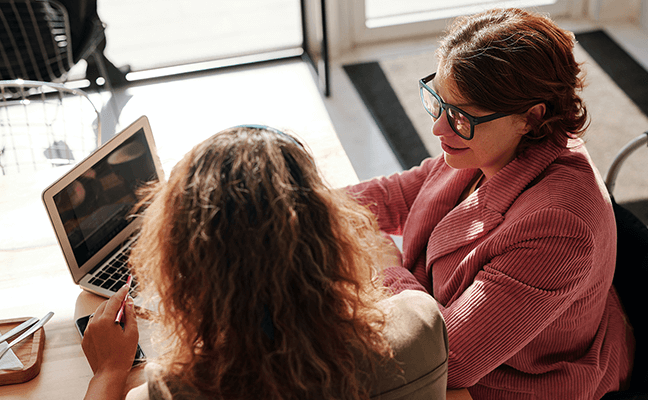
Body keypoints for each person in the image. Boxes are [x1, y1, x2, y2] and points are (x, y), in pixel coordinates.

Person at [346, 8, 634, 400]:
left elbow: (449, 360)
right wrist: (300, 202)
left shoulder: (559, 225)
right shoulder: (487, 147)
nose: (439, 128)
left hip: (506, 383)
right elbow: (395, 195)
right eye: (438, 102)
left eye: (461, 116)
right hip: (446, 338)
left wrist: (383, 262)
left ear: (531, 118)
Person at [80, 126, 449, 400]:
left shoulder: (171, 392)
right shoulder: (421, 325)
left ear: (186, 266)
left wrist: (109, 371)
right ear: (331, 233)